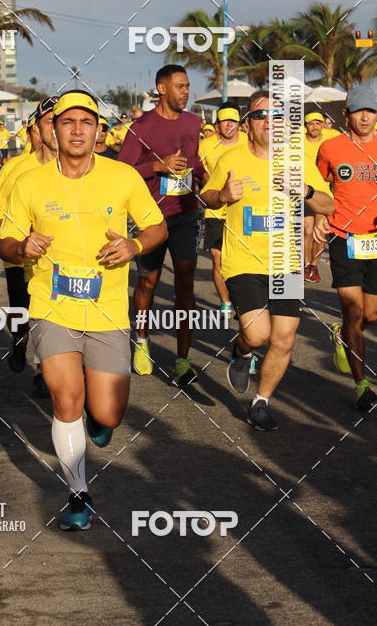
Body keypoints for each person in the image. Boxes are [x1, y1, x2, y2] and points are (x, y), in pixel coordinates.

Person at [0, 91, 166, 530]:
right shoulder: (29, 183)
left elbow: (157, 226)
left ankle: (99, 418)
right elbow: (6, 242)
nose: (76, 129)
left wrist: (133, 244)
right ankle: (78, 493)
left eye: (85, 122)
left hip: (108, 309)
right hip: (51, 306)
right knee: (65, 399)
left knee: (108, 414)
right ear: (53, 130)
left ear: (98, 131)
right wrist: (22, 246)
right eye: (67, 122)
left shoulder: (123, 177)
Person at [201, 90, 334, 431]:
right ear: (248, 124)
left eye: (277, 116)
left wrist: (303, 191)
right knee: (258, 334)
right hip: (243, 261)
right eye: (261, 116)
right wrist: (224, 195)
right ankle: (242, 351)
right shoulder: (230, 160)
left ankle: (261, 401)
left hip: (285, 260)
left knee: (285, 336)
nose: (269, 122)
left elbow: (327, 205)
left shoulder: (297, 159)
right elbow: (207, 196)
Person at [118, 64, 206, 386]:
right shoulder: (141, 127)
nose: (186, 92)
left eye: (188, 86)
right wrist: (158, 165)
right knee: (148, 284)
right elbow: (122, 172)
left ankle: (183, 360)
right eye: (180, 86)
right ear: (162, 88)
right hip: (151, 218)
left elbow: (194, 160)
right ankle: (141, 341)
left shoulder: (194, 122)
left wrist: (202, 173)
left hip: (185, 212)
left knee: (185, 281)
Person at [314, 86, 377, 410]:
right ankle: (362, 385)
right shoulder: (330, 148)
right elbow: (316, 188)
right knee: (353, 311)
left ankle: (341, 334)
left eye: (371, 111)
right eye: (359, 111)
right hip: (344, 237)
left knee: (370, 313)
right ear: (346, 115)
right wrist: (321, 214)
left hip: (376, 240)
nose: (365, 116)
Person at [0, 99, 58, 396]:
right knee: (22, 311)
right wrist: (19, 242)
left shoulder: (74, 169)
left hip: (57, 262)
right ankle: (19, 340)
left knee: (50, 317)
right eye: (49, 123)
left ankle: (45, 370)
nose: (56, 129)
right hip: (20, 259)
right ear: (37, 130)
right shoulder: (16, 169)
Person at [198, 103, 244, 314]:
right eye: (225, 121)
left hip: (243, 209)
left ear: (240, 124)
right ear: (217, 124)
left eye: (233, 121)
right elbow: (198, 172)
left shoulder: (248, 142)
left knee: (241, 257)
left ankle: (243, 298)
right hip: (215, 209)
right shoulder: (205, 145)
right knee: (218, 258)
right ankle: (225, 301)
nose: (229, 125)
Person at [303, 111, 341, 282]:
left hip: (324, 194)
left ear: (323, 124)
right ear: (305, 126)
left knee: (321, 232)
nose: (315, 127)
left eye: (318, 123)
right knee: (307, 229)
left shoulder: (332, 138)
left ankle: (314, 265)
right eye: (311, 123)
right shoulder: (298, 141)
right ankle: (305, 265)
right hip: (304, 193)